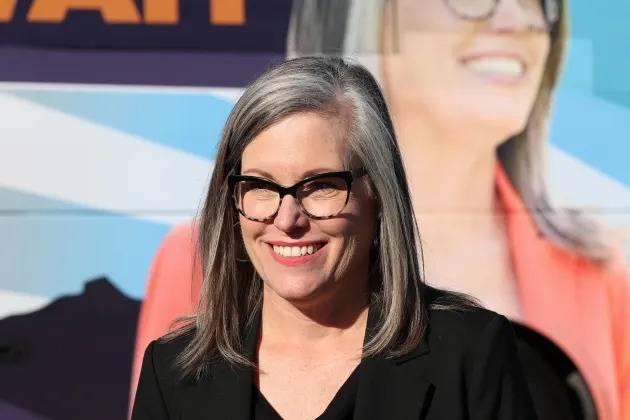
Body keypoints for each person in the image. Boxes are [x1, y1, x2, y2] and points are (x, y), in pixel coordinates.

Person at [130, 1, 630, 419]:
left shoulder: (471, 355)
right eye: (261, 187)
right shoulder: (175, 372)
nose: (288, 218)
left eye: (321, 186)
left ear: (379, 196)